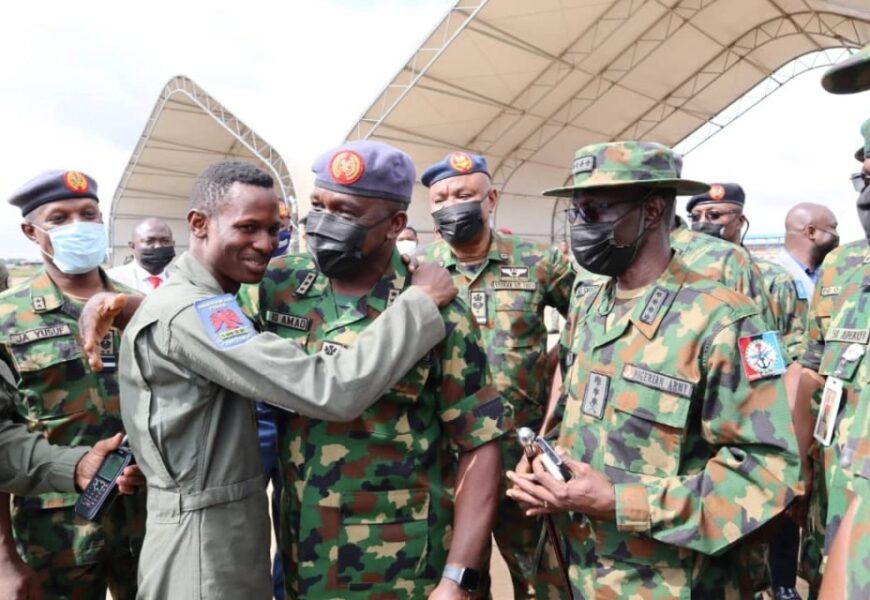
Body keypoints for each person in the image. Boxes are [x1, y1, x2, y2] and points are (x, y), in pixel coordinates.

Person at [109, 160, 458, 599]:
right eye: (247, 227)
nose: (265, 244)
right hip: (203, 546)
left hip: (228, 531)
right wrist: (420, 304)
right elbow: (330, 389)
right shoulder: (195, 312)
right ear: (199, 224)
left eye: (274, 230)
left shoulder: (203, 302)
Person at [506, 141, 800, 598]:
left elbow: (765, 476)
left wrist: (619, 502)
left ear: (652, 211)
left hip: (666, 582)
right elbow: (575, 401)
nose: (580, 225)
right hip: (571, 570)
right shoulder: (589, 300)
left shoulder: (724, 321)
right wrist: (544, 458)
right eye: (576, 211)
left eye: (595, 210)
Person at [242, 141, 509, 598]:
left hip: (401, 567)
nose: (324, 223)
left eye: (344, 212)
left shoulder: (438, 308)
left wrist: (458, 577)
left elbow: (480, 444)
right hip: (300, 558)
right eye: (318, 206)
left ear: (395, 225)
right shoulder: (276, 288)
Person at [416, 151, 574, 598]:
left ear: (491, 199)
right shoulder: (416, 270)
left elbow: (588, 329)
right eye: (442, 199)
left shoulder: (539, 260)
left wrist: (550, 417)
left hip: (521, 459)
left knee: (544, 580)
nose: (453, 206)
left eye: (465, 195)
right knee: (459, 581)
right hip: (449, 462)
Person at [0, 170, 145, 600]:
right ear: (31, 231)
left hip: (149, 523)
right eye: (60, 219)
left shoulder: (142, 309)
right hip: (54, 538)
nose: (78, 226)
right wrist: (5, 561)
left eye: (88, 214)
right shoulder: (7, 320)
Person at [107, 217, 176, 293]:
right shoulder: (111, 280)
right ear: (132, 246)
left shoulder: (182, 282)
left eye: (165, 241)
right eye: (149, 241)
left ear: (173, 244)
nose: (158, 246)